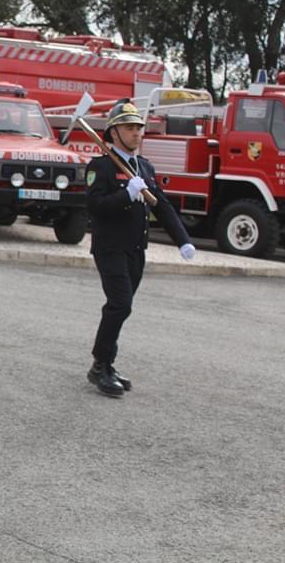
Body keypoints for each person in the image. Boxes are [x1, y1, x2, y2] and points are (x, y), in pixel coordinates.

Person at [85, 100, 196, 398]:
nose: (136, 133)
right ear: (113, 133)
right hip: (109, 248)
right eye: (129, 128)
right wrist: (126, 193)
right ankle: (99, 366)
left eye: (138, 128)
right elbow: (94, 207)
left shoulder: (144, 167)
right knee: (120, 304)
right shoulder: (101, 167)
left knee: (121, 309)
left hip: (136, 249)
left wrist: (183, 239)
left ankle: (107, 362)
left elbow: (163, 206)